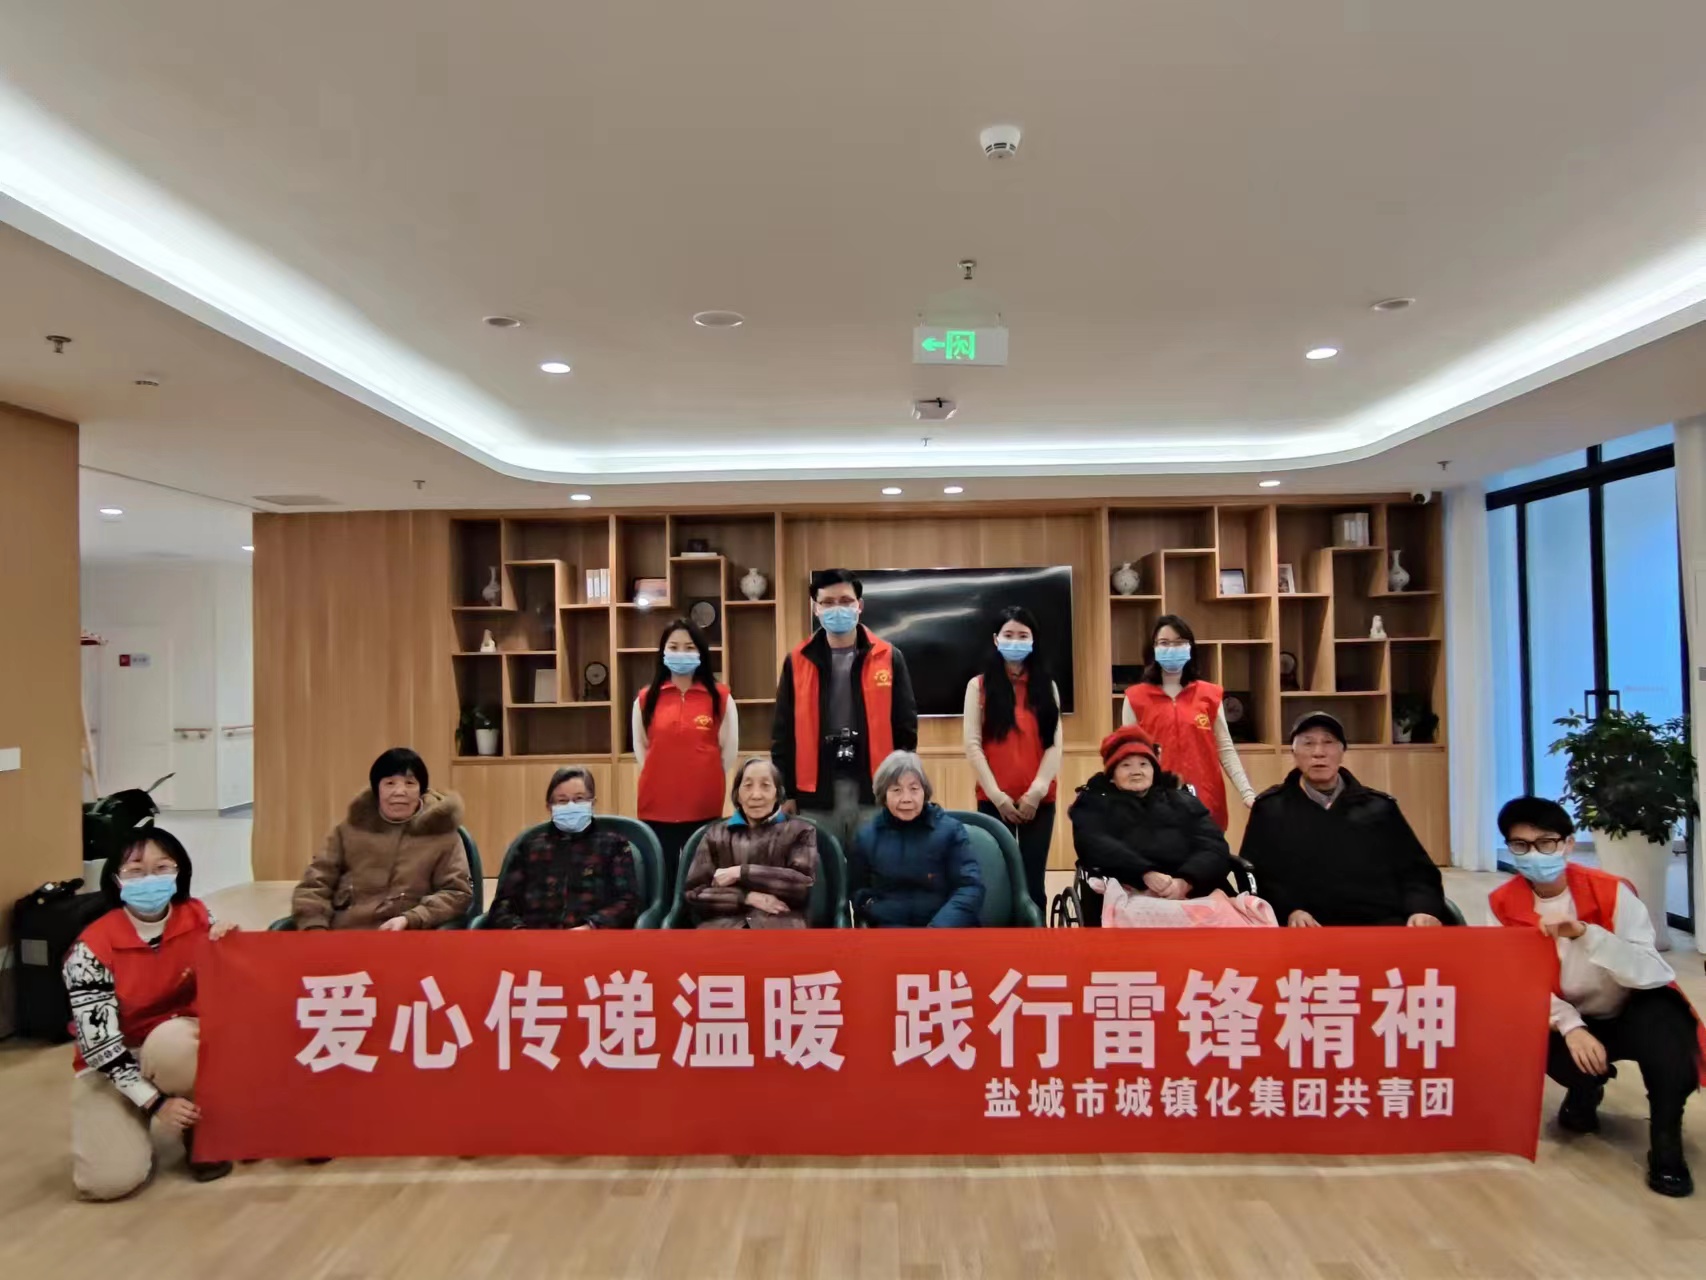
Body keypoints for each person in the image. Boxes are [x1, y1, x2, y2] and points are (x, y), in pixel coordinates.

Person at [1489, 796, 1704, 1198]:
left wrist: (1585, 934)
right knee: (1536, 1042)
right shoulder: (1503, 904)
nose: (1534, 854)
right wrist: (1571, 1026)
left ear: (1568, 844)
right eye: (1520, 845)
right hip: (1569, 1015)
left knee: (1670, 1040)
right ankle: (1585, 1091)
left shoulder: (1612, 892)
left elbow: (1652, 971)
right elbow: (1515, 982)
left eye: (1546, 842)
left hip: (1632, 1005)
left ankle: (1667, 1145)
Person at [63, 827, 236, 1199]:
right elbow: (100, 1046)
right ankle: (141, 1111)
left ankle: (200, 1121)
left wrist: (230, 947)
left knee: (176, 1043)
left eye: (162, 868)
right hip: (112, 1062)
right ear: (116, 879)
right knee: (108, 1182)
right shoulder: (90, 949)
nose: (149, 880)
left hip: (173, 1045)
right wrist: (154, 1102)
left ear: (179, 872)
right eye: (135, 871)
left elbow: (229, 991)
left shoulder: (198, 916)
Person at [1239, 711, 1449, 927]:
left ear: (1342, 751)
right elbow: (1253, 878)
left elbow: (1418, 872)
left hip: (1380, 925)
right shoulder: (1271, 809)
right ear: (1293, 753)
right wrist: (1288, 911)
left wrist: (1422, 910)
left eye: (1328, 742)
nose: (1318, 753)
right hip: (1304, 930)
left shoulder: (1379, 808)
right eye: (1308, 743)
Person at [771, 568, 918, 851]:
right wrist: (785, 792)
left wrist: (901, 785)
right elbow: (783, 732)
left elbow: (905, 728)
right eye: (827, 602)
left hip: (875, 789)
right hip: (815, 793)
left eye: (845, 601)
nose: (837, 609)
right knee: (820, 869)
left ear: (859, 605)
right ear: (815, 608)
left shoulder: (888, 656)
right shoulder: (797, 661)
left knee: (874, 868)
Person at [291, 747, 472, 930]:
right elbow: (314, 885)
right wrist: (315, 927)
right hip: (345, 932)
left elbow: (456, 892)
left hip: (408, 934)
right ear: (377, 789)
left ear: (421, 790)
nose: (399, 791)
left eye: (410, 783)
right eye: (390, 783)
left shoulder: (443, 834)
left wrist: (412, 918)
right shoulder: (347, 830)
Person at [1069, 725, 1233, 924]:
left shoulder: (1182, 801)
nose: (1136, 772)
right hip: (1130, 890)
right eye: (1126, 765)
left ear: (1154, 770)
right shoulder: (1094, 803)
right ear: (1112, 775)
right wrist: (1145, 872)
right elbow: (1094, 843)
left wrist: (1186, 881)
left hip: (1193, 890)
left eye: (1144, 764)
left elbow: (1214, 845)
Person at [964, 605, 1062, 913]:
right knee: (998, 881)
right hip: (994, 801)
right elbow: (973, 745)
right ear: (996, 639)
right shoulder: (978, 686)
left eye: (1023, 635)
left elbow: (1054, 744)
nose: (1015, 641)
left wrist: (1036, 792)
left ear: (1033, 640)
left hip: (1039, 802)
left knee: (1033, 883)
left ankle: (1036, 939)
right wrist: (998, 797)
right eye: (1009, 635)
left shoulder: (1047, 686)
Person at [1122, 614, 1255, 831]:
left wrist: (1247, 793)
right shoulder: (1135, 698)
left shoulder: (1209, 694)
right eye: (1164, 643)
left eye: (1179, 642)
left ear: (1190, 647)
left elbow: (1225, 749)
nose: (1171, 649)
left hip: (1206, 801)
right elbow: (1128, 755)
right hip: (1156, 804)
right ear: (1153, 649)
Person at [633, 616, 737, 884]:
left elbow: (727, 752)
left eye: (690, 647)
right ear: (663, 652)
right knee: (662, 880)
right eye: (674, 647)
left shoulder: (720, 697)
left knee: (700, 880)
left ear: (701, 653)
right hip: (656, 805)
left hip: (703, 805)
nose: (681, 653)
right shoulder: (646, 698)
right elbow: (642, 750)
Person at [485, 767, 640, 929]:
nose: (571, 805)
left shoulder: (613, 845)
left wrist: (590, 927)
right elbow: (502, 906)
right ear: (549, 807)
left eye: (579, 799)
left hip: (592, 938)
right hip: (534, 937)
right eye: (562, 800)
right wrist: (521, 932)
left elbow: (628, 903)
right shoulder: (529, 848)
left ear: (592, 803)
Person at [848, 751, 983, 927]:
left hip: (945, 931)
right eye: (896, 790)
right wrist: (874, 908)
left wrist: (936, 930)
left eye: (914, 789)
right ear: (883, 795)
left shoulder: (950, 831)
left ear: (924, 792)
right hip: (890, 932)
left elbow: (969, 887)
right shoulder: (866, 836)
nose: (906, 799)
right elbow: (857, 891)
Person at [683, 758, 820, 929]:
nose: (756, 795)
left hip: (780, 925)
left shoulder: (801, 831)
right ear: (737, 795)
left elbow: (802, 885)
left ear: (778, 794)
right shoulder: (715, 834)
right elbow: (695, 893)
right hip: (724, 927)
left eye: (765, 786)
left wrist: (742, 872)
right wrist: (745, 897)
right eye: (748, 786)